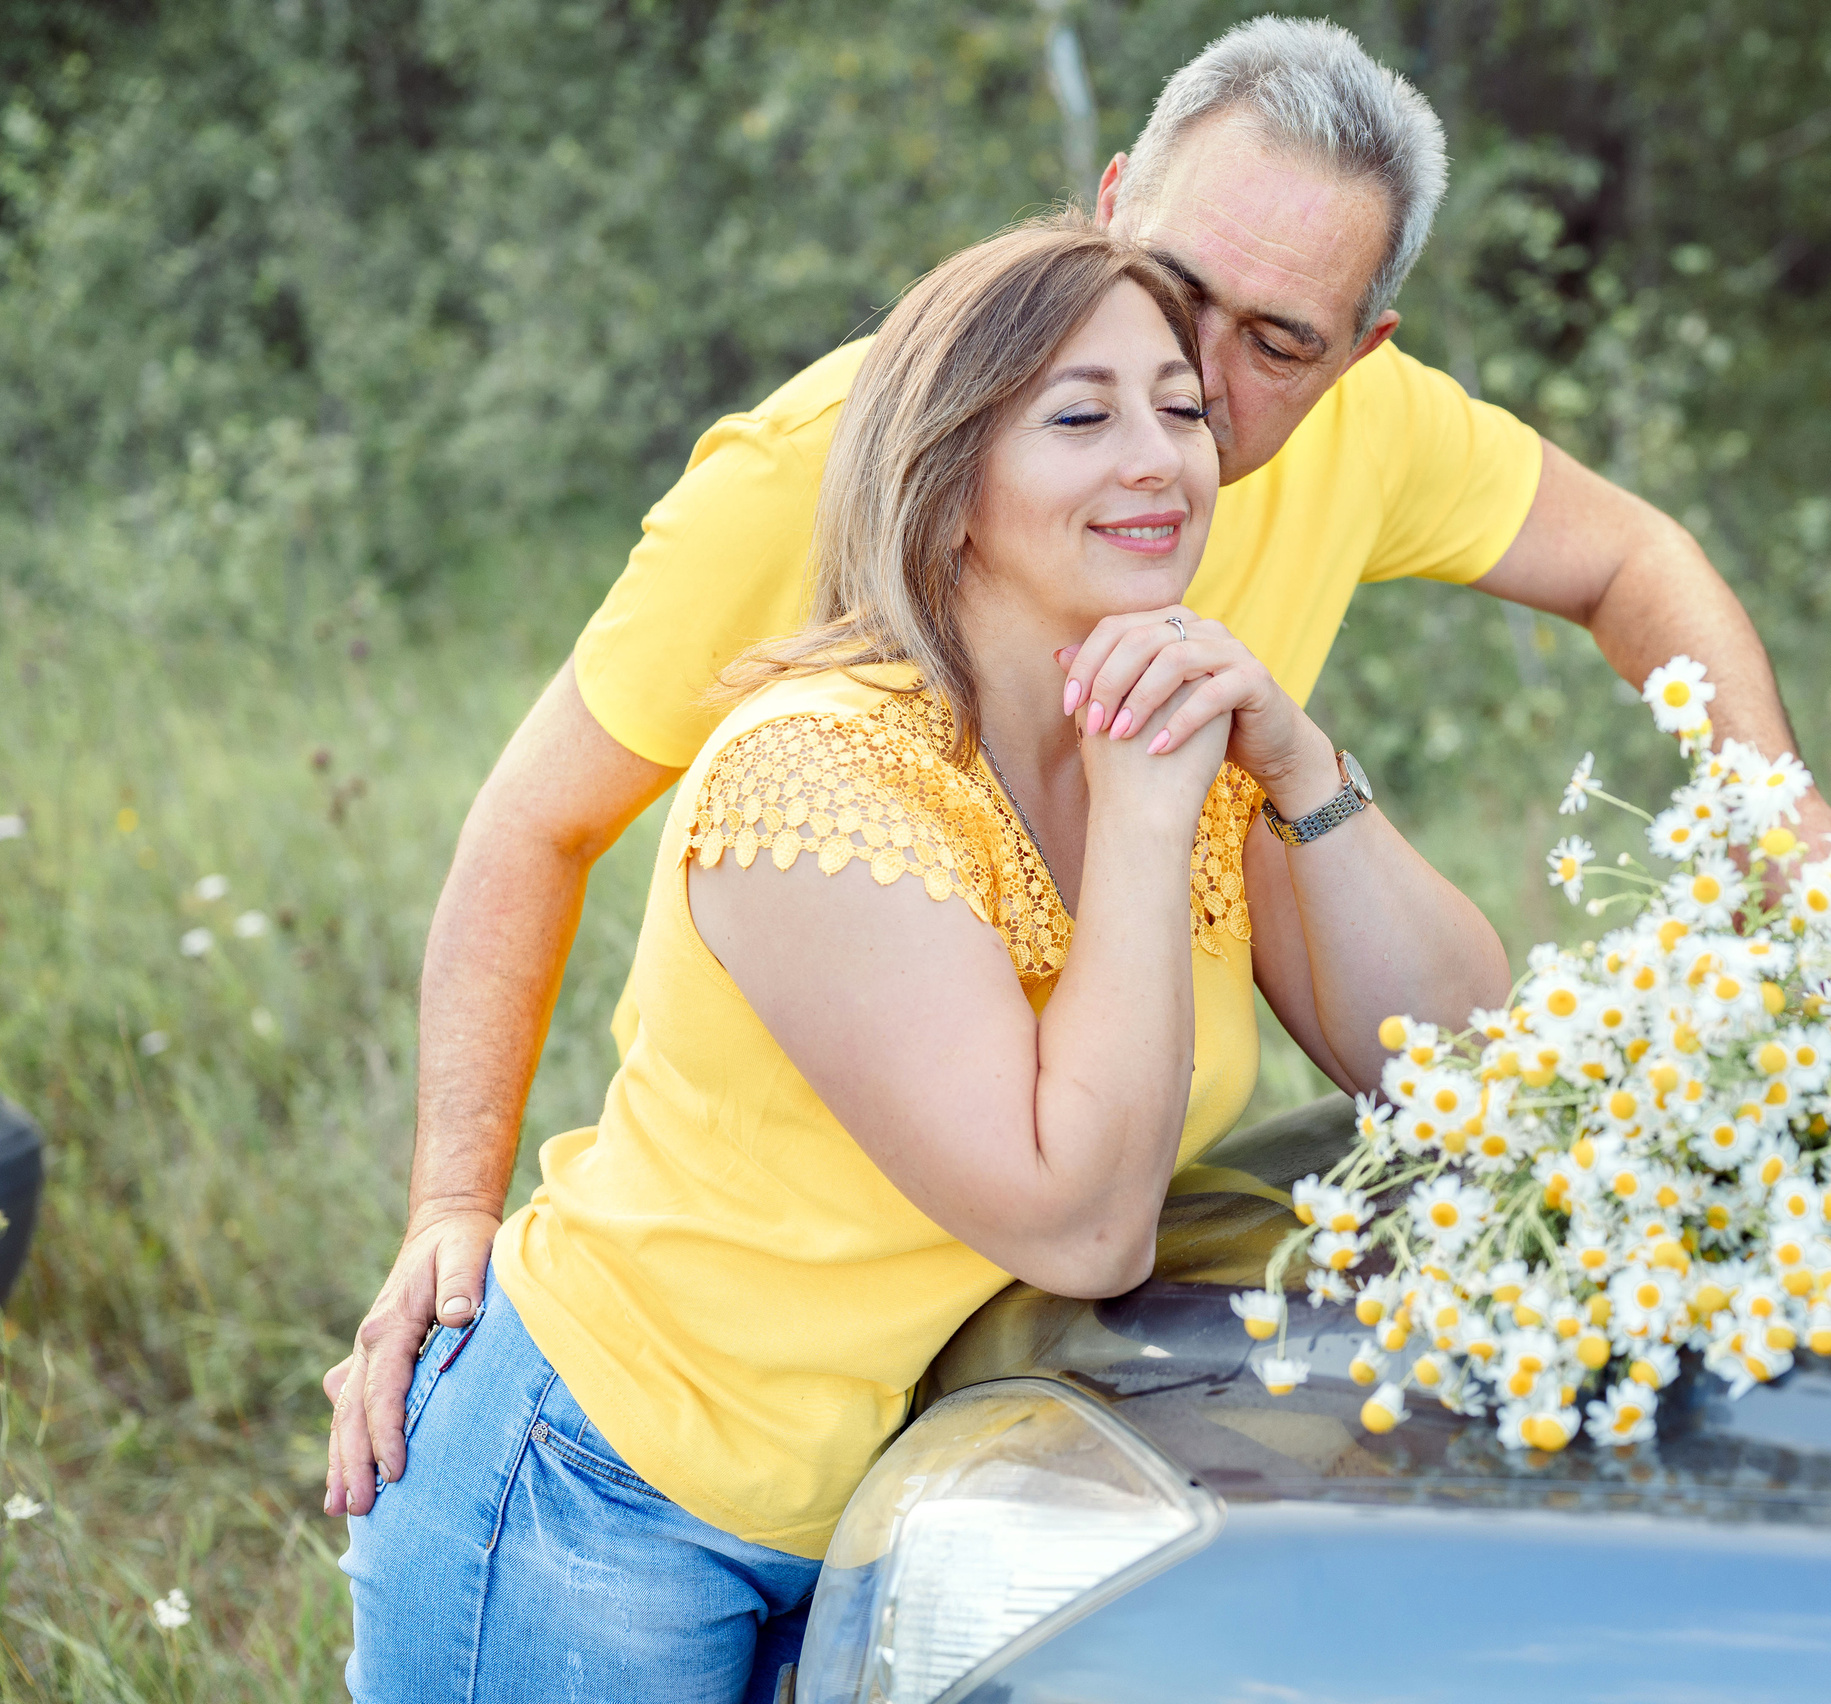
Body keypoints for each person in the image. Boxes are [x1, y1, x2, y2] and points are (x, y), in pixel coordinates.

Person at [324, 17, 1831, 1516]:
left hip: (921, 1448)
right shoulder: (824, 466)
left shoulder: (1340, 465)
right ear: (1109, 203)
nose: (1190, 389)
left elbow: (1629, 561)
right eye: (1174, 290)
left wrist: (1783, 830)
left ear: (1357, 356)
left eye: (1276, 346)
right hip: (642, 1432)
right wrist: (450, 1205)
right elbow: (536, 820)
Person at [339, 216, 1513, 1700]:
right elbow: (1083, 1231)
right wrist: (1144, 823)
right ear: (951, 484)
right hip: (594, 1482)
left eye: (1181, 410)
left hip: (874, 1511)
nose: (1160, 457)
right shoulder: (818, 776)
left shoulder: (1179, 740)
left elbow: (1469, 1067)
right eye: (1081, 417)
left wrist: (1295, 762)